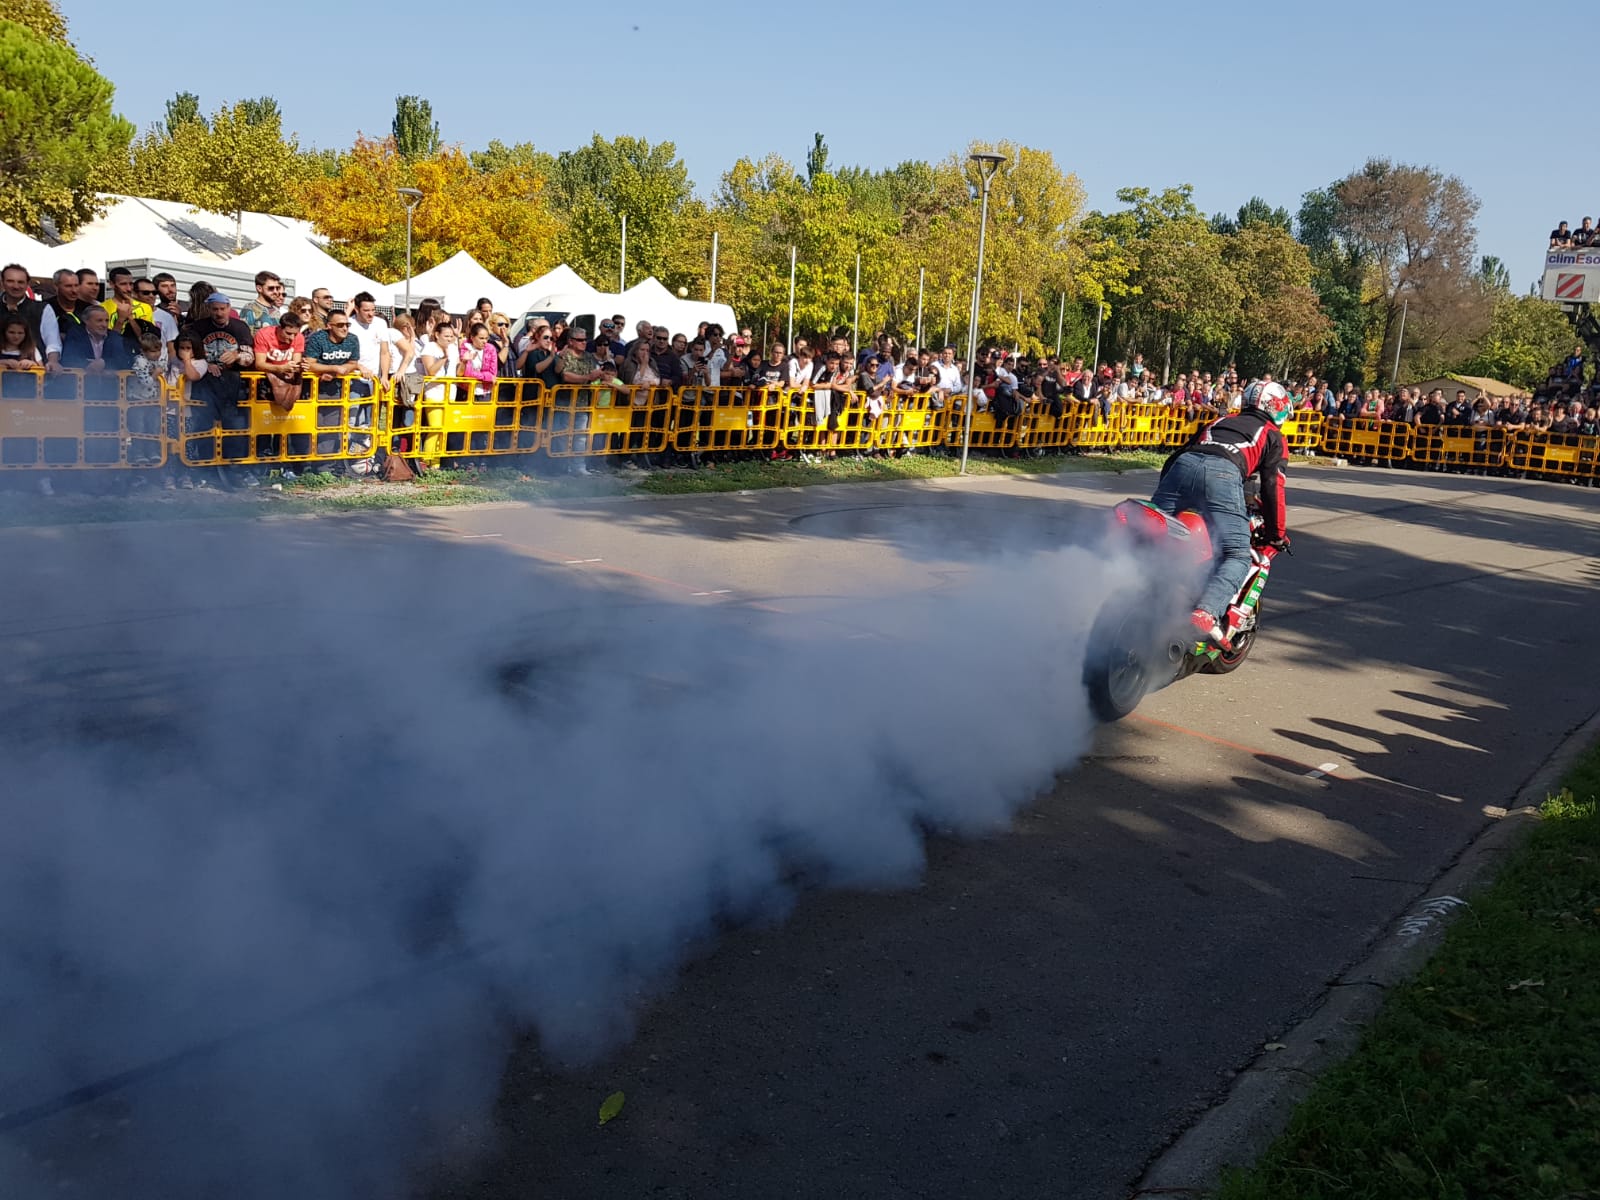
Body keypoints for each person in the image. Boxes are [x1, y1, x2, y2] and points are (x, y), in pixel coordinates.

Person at [1151, 379, 1291, 647]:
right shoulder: (1273, 434)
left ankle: (1136, 584)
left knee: (1157, 533)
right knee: (1237, 555)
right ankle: (1206, 612)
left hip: (1182, 467)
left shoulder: (1221, 421)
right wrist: (1276, 533)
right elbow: (1273, 485)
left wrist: (1166, 499)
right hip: (1222, 475)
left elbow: (1176, 456)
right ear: (1277, 407)